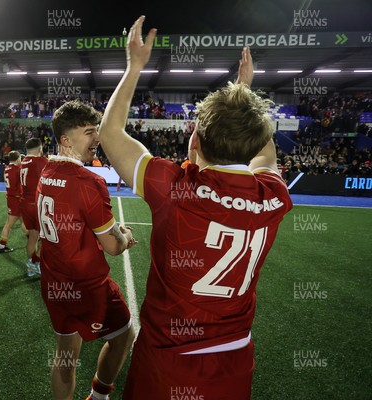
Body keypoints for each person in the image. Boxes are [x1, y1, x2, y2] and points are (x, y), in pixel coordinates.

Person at [99, 16, 293, 399]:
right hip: (233, 361)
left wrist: (135, 65)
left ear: (196, 142)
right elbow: (265, 154)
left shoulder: (173, 188)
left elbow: (110, 132)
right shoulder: (272, 195)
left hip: (167, 362)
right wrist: (242, 94)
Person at [38, 101, 138, 400]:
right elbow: (113, 248)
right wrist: (123, 236)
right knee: (124, 336)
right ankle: (99, 394)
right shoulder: (89, 181)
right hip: (88, 285)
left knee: (66, 356)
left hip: (54, 281)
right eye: (89, 132)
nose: (97, 138)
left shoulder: (46, 170)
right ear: (66, 140)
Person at [19, 137, 48, 276]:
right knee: (48, 237)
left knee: (33, 236)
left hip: (25, 203)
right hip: (37, 204)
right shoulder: (40, 161)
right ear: (40, 148)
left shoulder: (23, 161)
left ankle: (32, 267)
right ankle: (35, 262)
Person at [0, 150, 27, 253]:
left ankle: (32, 239)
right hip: (17, 198)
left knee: (23, 221)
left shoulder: (7, 168)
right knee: (10, 224)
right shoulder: (17, 169)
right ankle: (1, 246)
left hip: (11, 198)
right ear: (18, 159)